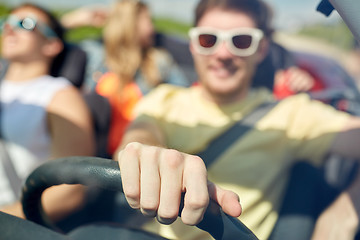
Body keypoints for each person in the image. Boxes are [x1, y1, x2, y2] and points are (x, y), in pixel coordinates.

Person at [114, 0, 360, 239]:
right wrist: (144, 155)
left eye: (241, 41)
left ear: (261, 49)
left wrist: (345, 214)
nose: (223, 53)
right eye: (208, 39)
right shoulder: (163, 99)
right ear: (193, 45)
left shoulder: (291, 115)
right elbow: (139, 136)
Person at [0, 3, 95, 222]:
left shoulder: (59, 95)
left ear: (52, 45)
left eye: (25, 24)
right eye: (7, 22)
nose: (10, 29)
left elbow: (70, 192)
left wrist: (8, 219)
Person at [92, 0, 191, 156]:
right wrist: (77, 20)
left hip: (141, 152)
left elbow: (186, 97)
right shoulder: (96, 59)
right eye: (148, 20)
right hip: (96, 157)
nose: (153, 28)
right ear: (131, 24)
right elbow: (54, 42)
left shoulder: (159, 61)